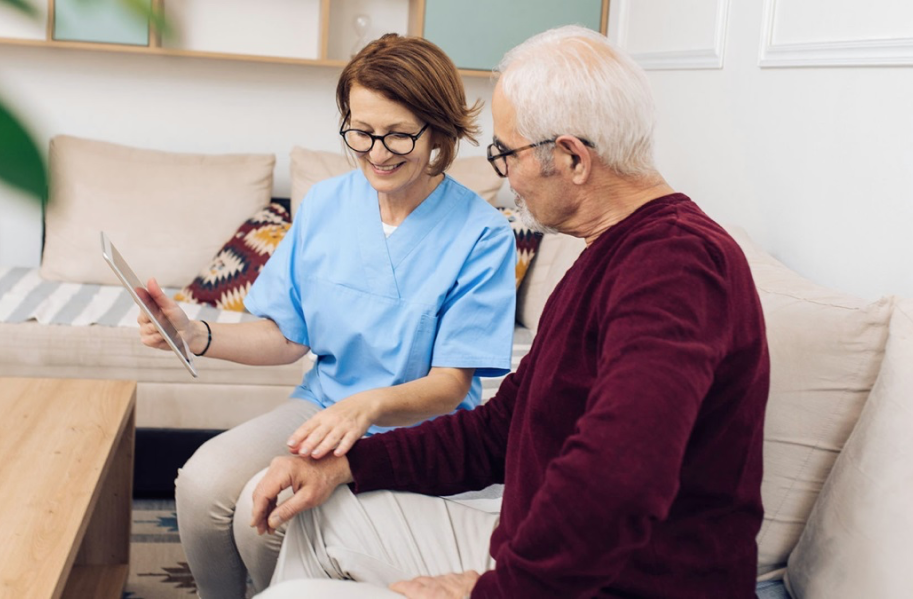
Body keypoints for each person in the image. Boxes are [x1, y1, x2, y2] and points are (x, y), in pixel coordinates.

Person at [249, 25, 771, 599]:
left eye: (506, 153)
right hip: (534, 558)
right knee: (313, 509)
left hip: (618, 584)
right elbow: (500, 430)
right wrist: (346, 465)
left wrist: (495, 593)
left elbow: (619, 478)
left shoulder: (674, 267)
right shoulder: (610, 254)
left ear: (572, 157)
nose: (503, 178)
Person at [136, 34, 518, 598]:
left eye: (397, 134)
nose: (377, 152)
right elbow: (286, 336)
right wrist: (197, 334)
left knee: (261, 511)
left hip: (415, 427)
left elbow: (451, 384)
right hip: (320, 407)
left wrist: (368, 406)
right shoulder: (325, 204)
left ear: (438, 132)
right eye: (361, 132)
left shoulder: (481, 234)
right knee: (199, 483)